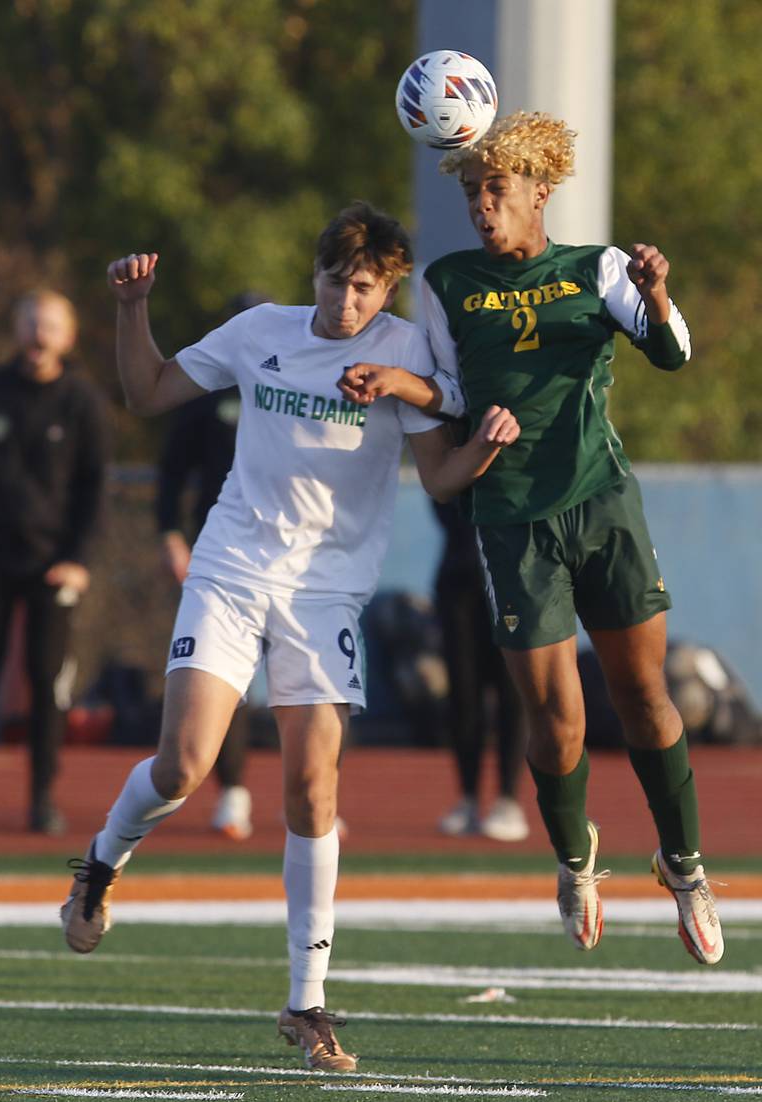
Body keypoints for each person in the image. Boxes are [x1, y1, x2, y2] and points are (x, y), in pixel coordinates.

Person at [60, 201, 520, 1071]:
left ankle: (306, 1003)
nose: (349, 302)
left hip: (327, 595)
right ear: (314, 275)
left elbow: (442, 477)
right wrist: (131, 310)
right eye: (337, 282)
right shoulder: (260, 330)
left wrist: (480, 442)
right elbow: (148, 392)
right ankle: (100, 861)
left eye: (367, 288)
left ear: (386, 292)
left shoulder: (404, 348)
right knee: (184, 766)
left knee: (313, 789)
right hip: (230, 569)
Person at [339, 113, 724, 966]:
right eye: (473, 192)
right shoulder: (447, 283)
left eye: (497, 191)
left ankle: (685, 865)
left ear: (539, 193)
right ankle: (576, 859)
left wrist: (657, 294)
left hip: (602, 505)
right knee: (557, 721)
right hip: (511, 519)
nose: (482, 207)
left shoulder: (596, 268)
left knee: (645, 697)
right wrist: (403, 380)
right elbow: (446, 392)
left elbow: (674, 354)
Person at [0, 290, 109, 834]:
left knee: (46, 683)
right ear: (17, 329)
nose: (38, 335)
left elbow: (94, 488)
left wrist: (78, 559)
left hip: (52, 564)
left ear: (67, 336)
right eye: (30, 323)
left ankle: (42, 797)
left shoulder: (82, 402)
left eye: (49, 325)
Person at [156, 291, 271, 840]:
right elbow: (171, 470)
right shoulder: (207, 393)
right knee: (229, 679)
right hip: (222, 555)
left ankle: (319, 791)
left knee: (312, 684)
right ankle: (234, 790)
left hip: (299, 560)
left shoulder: (301, 384)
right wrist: (171, 535)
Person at [432, 498, 529, 841]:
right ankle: (468, 798)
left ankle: (508, 799)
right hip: (460, 577)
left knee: (512, 691)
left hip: (513, 577)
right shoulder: (455, 444)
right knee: (463, 693)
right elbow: (441, 492)